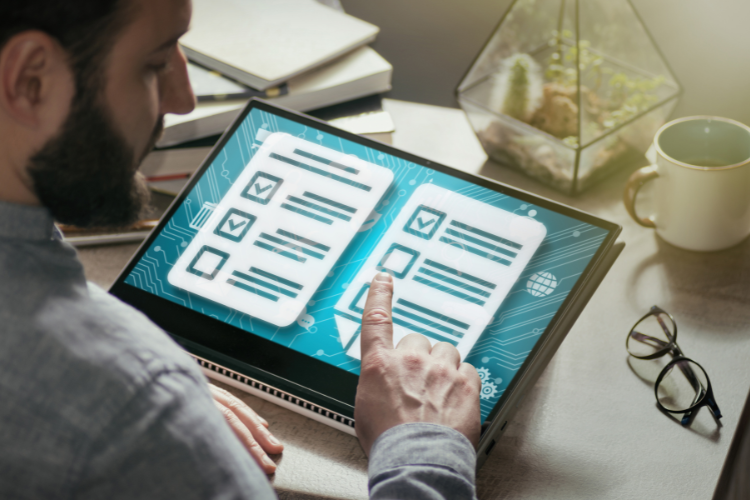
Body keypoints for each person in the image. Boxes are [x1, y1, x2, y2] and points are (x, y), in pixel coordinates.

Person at [0, 0, 482, 498]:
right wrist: (426, 452)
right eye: (156, 62)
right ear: (30, 80)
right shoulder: (139, 413)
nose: (183, 98)